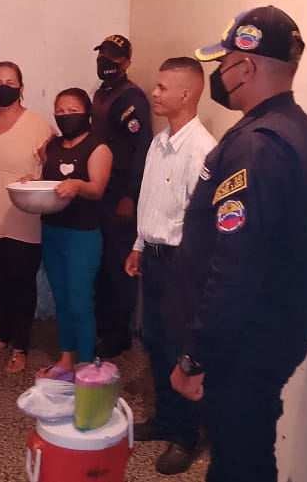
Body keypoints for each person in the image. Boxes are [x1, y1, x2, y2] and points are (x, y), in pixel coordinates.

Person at [169, 6, 307, 482]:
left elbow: (236, 263)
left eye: (223, 63)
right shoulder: (294, 128)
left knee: (239, 458)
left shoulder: (257, 144)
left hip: (242, 342)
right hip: (262, 331)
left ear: (246, 66)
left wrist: (196, 355)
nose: (219, 73)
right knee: (246, 451)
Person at [124, 57, 217, 475]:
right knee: (155, 341)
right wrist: (139, 245)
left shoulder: (203, 152)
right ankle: (164, 418)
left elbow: (203, 225)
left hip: (183, 264)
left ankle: (186, 435)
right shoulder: (159, 142)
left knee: (182, 348)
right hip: (155, 259)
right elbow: (150, 201)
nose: (154, 93)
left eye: (163, 87)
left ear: (187, 94)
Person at [0, 61, 56, 374]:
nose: (2, 86)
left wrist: (38, 179)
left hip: (23, 218)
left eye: (9, 81)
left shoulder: (37, 124)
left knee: (21, 283)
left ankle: (20, 346)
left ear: (21, 87)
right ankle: (3, 336)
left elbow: (55, 166)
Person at [33, 88, 111, 380]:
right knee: (62, 300)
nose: (65, 116)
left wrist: (77, 184)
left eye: (72, 110)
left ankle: (87, 366)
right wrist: (32, 182)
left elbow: (97, 188)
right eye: (60, 111)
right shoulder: (52, 146)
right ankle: (67, 359)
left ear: (87, 112)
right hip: (52, 230)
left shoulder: (98, 147)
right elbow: (48, 181)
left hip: (83, 236)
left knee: (80, 302)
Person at [90, 34, 153, 359]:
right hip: (102, 190)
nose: (105, 62)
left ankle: (119, 335)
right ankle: (105, 327)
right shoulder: (102, 93)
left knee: (118, 265)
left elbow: (142, 148)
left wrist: (130, 195)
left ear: (126, 62)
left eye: (113, 58)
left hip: (120, 194)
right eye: (102, 55)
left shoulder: (131, 99)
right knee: (102, 263)